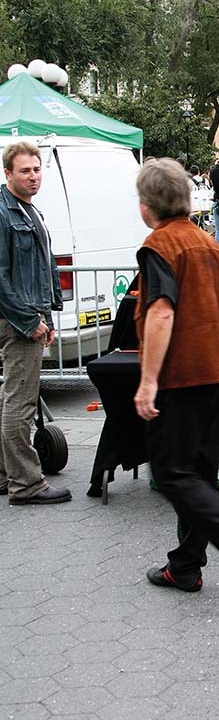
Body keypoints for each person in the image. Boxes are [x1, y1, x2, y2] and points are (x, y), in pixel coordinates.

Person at [134, 158, 219, 600]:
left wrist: (148, 380)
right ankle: (187, 565)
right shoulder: (208, 243)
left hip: (182, 374)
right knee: (196, 474)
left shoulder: (160, 245)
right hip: (217, 370)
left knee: (174, 473)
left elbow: (160, 312)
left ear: (145, 205)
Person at [0, 142, 69, 506]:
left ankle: (6, 473)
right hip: (17, 320)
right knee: (20, 401)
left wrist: (49, 314)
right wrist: (30, 320)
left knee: (11, 398)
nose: (33, 176)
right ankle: (26, 483)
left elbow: (43, 268)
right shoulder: (4, 211)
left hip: (29, 315)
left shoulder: (28, 210)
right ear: (8, 173)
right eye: (25, 170)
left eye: (37, 169)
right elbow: (1, 278)